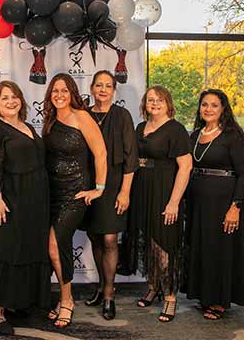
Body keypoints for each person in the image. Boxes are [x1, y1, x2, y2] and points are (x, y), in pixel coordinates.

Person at [0, 81, 51, 335]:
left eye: (15, 97)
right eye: (5, 98)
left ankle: (18, 301)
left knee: (24, 249)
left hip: (32, 201)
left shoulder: (25, 126)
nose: (11, 101)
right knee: (3, 250)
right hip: (8, 199)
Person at [43, 73, 107, 328]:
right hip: (51, 193)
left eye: (64, 90)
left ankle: (67, 300)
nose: (59, 95)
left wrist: (99, 188)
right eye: (55, 91)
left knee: (55, 245)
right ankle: (64, 298)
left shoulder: (82, 117)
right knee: (59, 246)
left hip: (75, 194)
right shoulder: (49, 120)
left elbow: (100, 153)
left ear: (72, 93)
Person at [185, 89, 244, 320]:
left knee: (219, 250)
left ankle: (219, 301)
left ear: (223, 109)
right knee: (202, 247)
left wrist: (236, 206)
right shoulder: (194, 136)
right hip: (198, 202)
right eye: (204, 104)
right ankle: (205, 295)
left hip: (224, 202)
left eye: (214, 105)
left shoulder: (232, 136)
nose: (208, 109)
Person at [127, 85, 192, 322]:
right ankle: (154, 287)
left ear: (168, 103)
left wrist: (174, 202)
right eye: (150, 99)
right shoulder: (140, 127)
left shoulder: (176, 129)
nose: (154, 103)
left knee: (165, 245)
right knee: (150, 244)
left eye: (160, 100)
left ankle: (170, 296)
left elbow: (185, 167)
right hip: (142, 190)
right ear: (145, 104)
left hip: (164, 191)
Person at [84, 70, 139, 320]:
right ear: (92, 88)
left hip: (115, 183)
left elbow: (131, 158)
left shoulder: (122, 115)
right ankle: (100, 287)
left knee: (109, 239)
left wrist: (125, 191)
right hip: (89, 182)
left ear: (114, 90)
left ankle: (109, 294)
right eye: (99, 85)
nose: (103, 89)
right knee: (95, 236)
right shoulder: (83, 114)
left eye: (108, 85)